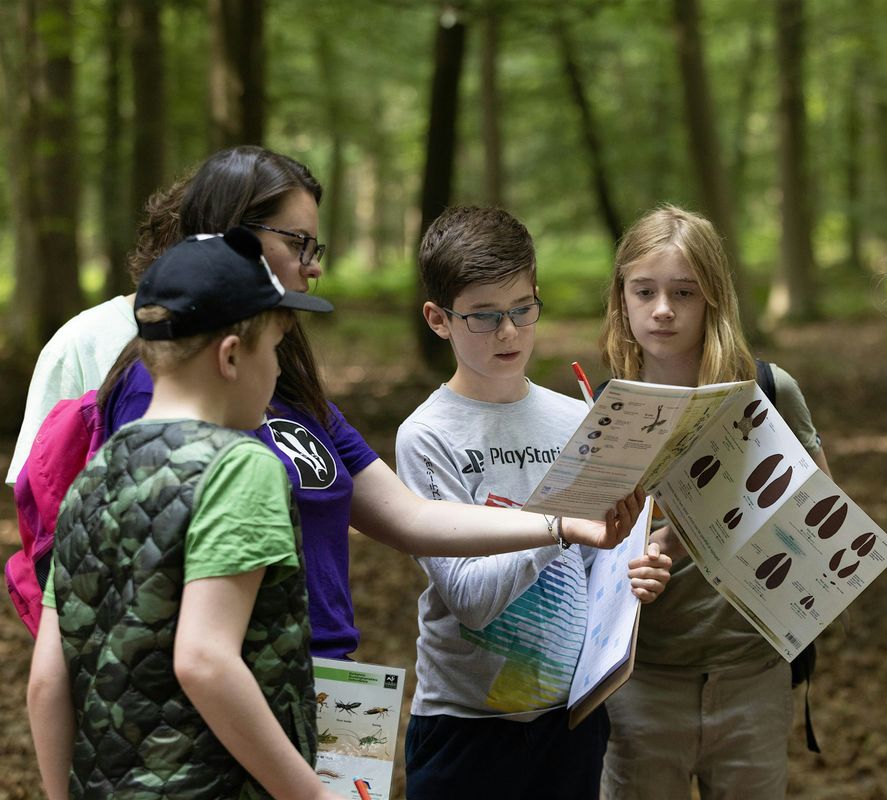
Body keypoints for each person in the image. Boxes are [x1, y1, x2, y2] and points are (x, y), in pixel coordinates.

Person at [51, 146, 645, 659]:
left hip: (320, 687)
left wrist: (560, 524)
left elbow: (410, 516)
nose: (314, 265)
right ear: (234, 237)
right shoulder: (159, 386)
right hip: (239, 707)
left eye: (317, 244)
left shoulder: (285, 381)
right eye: (299, 242)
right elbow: (164, 603)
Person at [27, 229, 341, 799]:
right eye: (272, 350)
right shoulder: (240, 467)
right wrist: (314, 794)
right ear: (230, 356)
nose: (275, 373)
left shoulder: (92, 475)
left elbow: (47, 682)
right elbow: (204, 659)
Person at [394, 206, 672, 799]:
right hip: (465, 726)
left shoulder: (577, 418)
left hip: (569, 719)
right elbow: (469, 598)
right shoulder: (428, 435)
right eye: (485, 316)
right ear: (438, 319)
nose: (509, 333)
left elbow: (599, 560)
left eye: (523, 309)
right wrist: (561, 527)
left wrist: (632, 569)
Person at [596, 204, 831, 800]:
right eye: (643, 291)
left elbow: (822, 521)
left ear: (714, 300)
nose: (663, 310)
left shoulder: (769, 390)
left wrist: (700, 527)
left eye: (684, 293)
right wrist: (626, 561)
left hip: (751, 671)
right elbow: (577, 547)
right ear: (621, 297)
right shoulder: (599, 407)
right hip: (640, 678)